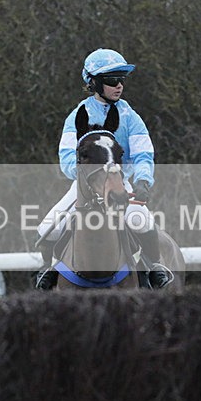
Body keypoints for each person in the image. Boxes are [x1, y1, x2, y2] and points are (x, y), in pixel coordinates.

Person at [34, 48, 174, 290]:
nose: (119, 85)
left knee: (143, 222)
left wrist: (142, 181)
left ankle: (154, 267)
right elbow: (67, 157)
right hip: (85, 184)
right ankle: (48, 268)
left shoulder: (130, 116)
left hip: (120, 182)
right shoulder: (77, 116)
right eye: (111, 80)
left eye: (122, 80)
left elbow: (143, 152)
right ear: (93, 83)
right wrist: (85, 178)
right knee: (48, 227)